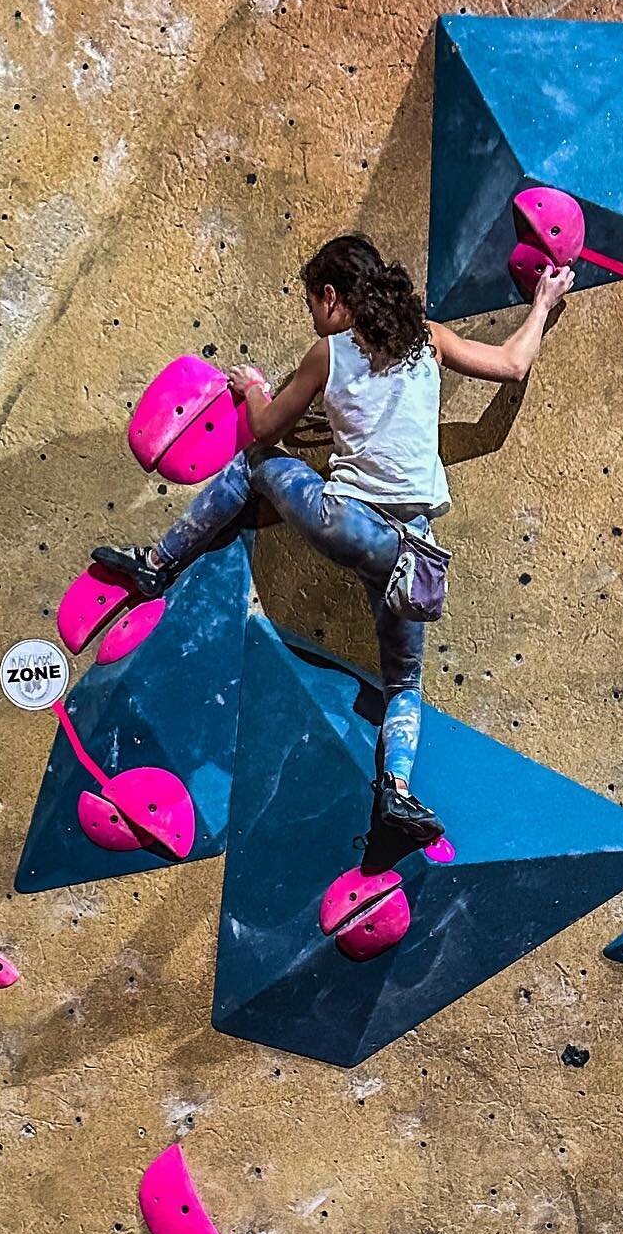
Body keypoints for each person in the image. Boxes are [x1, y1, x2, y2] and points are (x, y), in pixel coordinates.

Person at [94, 234, 574, 854]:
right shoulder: (426, 337)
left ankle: (157, 565)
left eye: (311, 304)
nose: (312, 316)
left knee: (256, 463)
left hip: (348, 523)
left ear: (331, 296)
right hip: (413, 557)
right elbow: (512, 364)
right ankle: (395, 790)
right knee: (403, 686)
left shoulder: (330, 352)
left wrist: (253, 385)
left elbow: (266, 427)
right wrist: (543, 301)